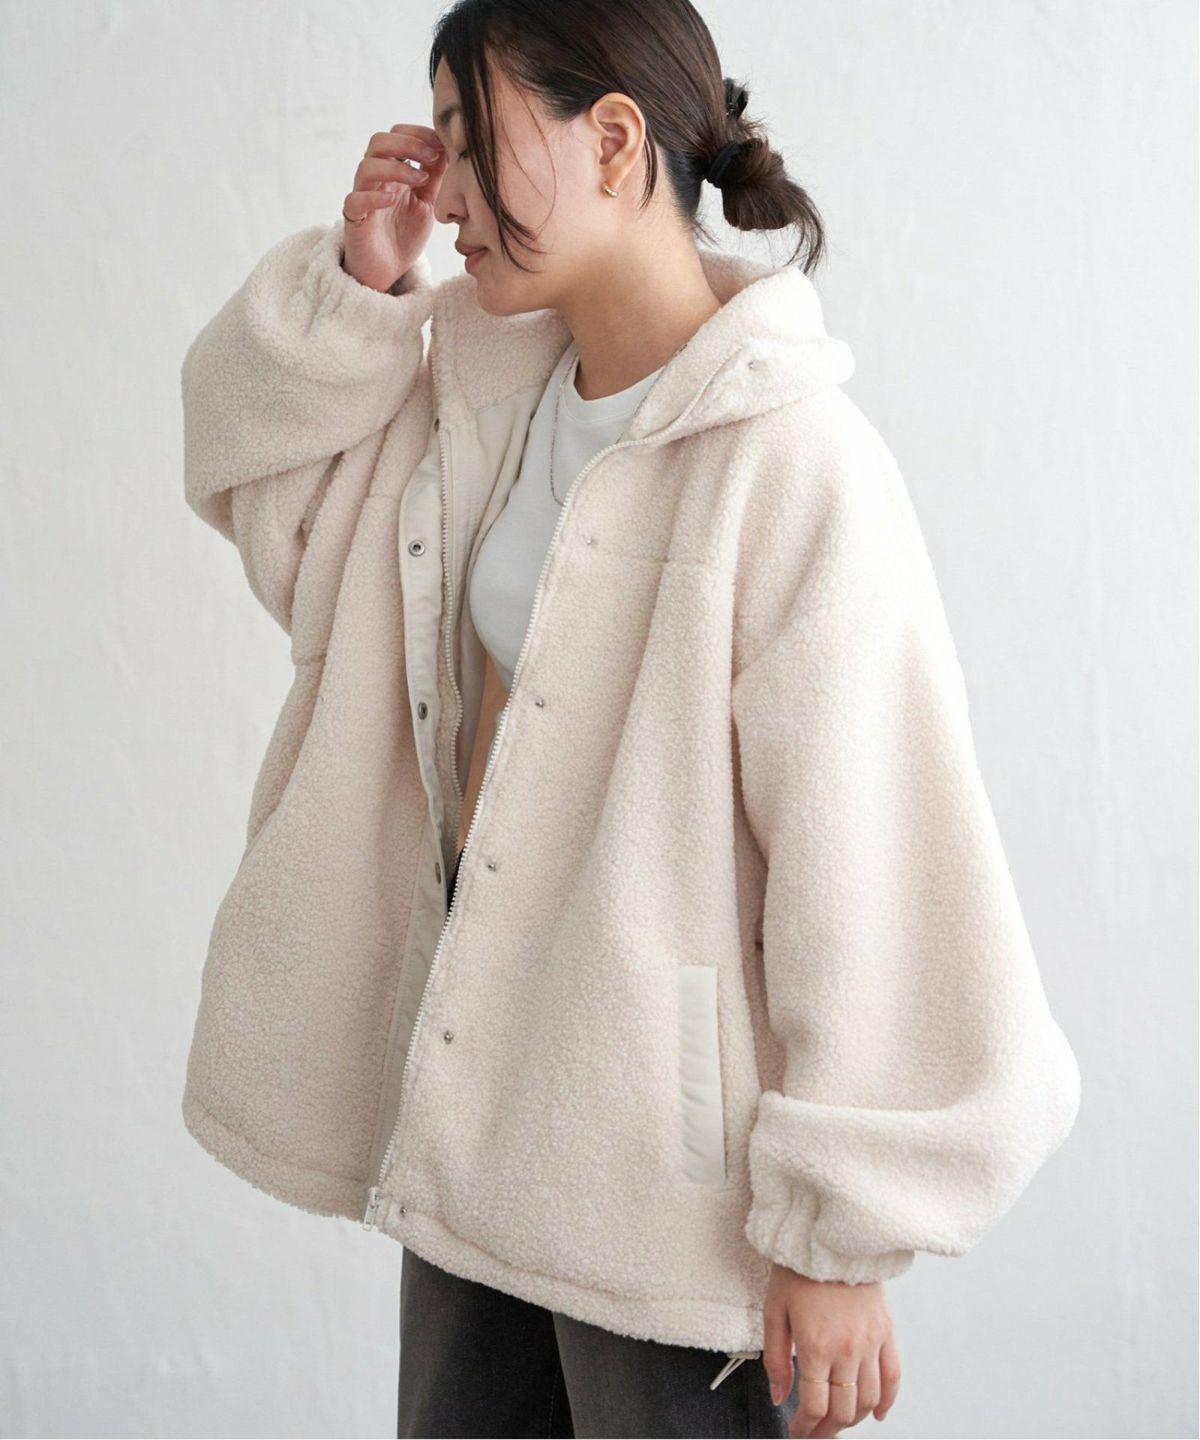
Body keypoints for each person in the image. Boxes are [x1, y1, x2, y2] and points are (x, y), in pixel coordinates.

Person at [178, 2, 1082, 1435]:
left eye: (473, 140)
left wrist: (839, 1235)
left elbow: (875, 846)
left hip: (671, 1195)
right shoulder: (489, 398)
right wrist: (359, 290)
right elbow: (297, 549)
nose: (447, 193)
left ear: (613, 141)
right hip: (471, 1121)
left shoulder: (791, 462)